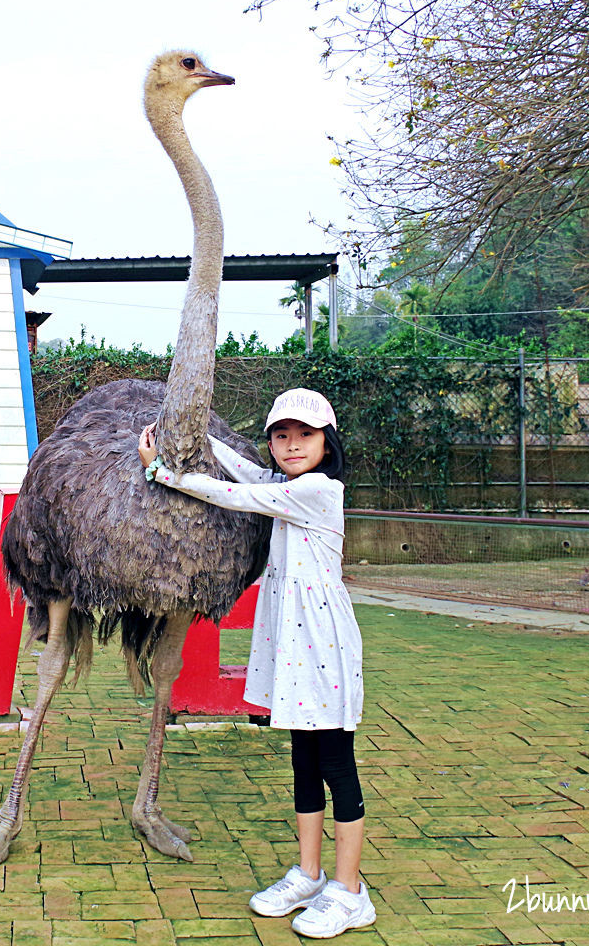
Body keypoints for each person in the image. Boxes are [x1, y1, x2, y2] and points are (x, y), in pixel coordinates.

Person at [138, 388, 372, 939]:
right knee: (303, 763)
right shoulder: (287, 485)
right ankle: (309, 875)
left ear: (326, 442)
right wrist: (193, 429)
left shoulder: (318, 490)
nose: (292, 446)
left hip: (324, 647)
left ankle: (350, 889)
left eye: (306, 435)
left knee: (337, 767)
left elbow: (231, 493)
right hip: (292, 646)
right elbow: (243, 470)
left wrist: (162, 472)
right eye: (282, 436)